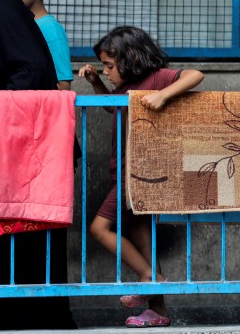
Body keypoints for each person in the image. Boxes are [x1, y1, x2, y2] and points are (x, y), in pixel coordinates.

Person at [0, 0, 77, 330]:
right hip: (24, 144)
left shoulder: (46, 29)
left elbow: (60, 90)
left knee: (38, 243)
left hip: (43, 145)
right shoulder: (5, 17)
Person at [78, 26, 204, 328]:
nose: (106, 71)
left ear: (130, 58)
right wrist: (97, 83)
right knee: (145, 245)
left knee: (99, 228)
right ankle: (158, 311)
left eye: (109, 66)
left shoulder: (157, 78)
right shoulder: (124, 86)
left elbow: (195, 75)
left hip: (137, 175)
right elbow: (113, 107)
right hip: (122, 173)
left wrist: (162, 96)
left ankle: (150, 278)